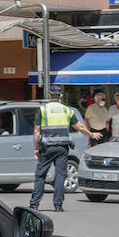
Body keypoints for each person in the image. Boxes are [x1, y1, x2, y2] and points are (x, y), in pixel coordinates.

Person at [30, 84, 100, 212]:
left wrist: (35, 149)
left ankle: (34, 204)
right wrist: (91, 134)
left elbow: (36, 131)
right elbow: (80, 127)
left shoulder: (42, 110)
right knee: (61, 175)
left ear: (49, 95)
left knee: (40, 176)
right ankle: (58, 205)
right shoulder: (67, 110)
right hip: (62, 148)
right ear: (61, 96)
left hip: (47, 148)